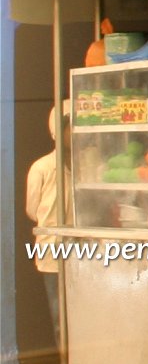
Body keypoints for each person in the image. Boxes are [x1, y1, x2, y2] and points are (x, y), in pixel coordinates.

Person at [26, 103, 72, 345]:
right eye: (69, 128)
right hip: (52, 254)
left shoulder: (88, 163)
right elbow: (32, 211)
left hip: (85, 253)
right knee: (60, 319)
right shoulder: (42, 167)